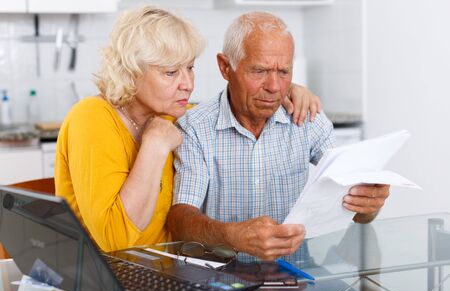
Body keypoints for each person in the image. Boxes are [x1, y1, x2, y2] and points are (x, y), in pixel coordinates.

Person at [54, 6, 322, 252]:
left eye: (190, 68)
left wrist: (286, 91)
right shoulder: (91, 117)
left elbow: (231, 106)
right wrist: (155, 146)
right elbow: (117, 242)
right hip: (91, 284)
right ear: (131, 72)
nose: (187, 84)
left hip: (162, 278)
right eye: (171, 72)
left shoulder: (176, 116)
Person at [167, 12, 390, 260]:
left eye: (284, 72)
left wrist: (369, 204)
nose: (274, 87)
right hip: (222, 278)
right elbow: (181, 219)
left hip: (296, 274)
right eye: (259, 71)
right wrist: (231, 235)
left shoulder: (307, 119)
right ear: (225, 67)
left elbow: (357, 207)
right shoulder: (195, 127)